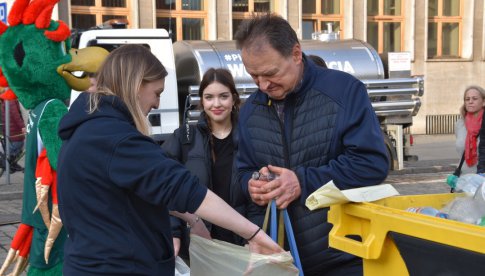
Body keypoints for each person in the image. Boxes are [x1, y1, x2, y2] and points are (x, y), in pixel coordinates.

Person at [57, 44, 283, 275]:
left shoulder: (90, 131)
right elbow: (180, 187)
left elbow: (145, 187)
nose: (156, 104)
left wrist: (194, 220)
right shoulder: (115, 139)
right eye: (157, 93)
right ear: (136, 84)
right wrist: (254, 234)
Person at [234, 13, 389, 275]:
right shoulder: (250, 110)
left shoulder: (344, 91)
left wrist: (302, 182)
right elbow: (240, 172)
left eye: (270, 73)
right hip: (279, 260)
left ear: (296, 54)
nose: (263, 85)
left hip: (343, 257)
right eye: (254, 76)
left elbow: (371, 164)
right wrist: (251, 184)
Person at [163, 68, 264, 259]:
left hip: (242, 244)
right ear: (202, 101)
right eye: (209, 97)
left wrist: (254, 235)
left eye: (223, 96)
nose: (216, 104)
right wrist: (174, 232)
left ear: (234, 99)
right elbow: (167, 188)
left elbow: (258, 196)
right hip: (198, 245)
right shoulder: (184, 138)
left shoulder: (251, 137)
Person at [458, 85, 485, 174]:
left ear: (483, 101)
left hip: (482, 178)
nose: (470, 101)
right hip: (464, 179)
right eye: (467, 99)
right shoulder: (459, 124)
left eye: (475, 98)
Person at [0, 87, 25, 173]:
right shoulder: (11, 100)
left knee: (14, 147)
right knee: (17, 145)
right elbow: (16, 115)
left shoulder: (8, 99)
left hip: (10, 128)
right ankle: (7, 163)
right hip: (14, 129)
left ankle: (10, 164)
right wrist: (22, 126)